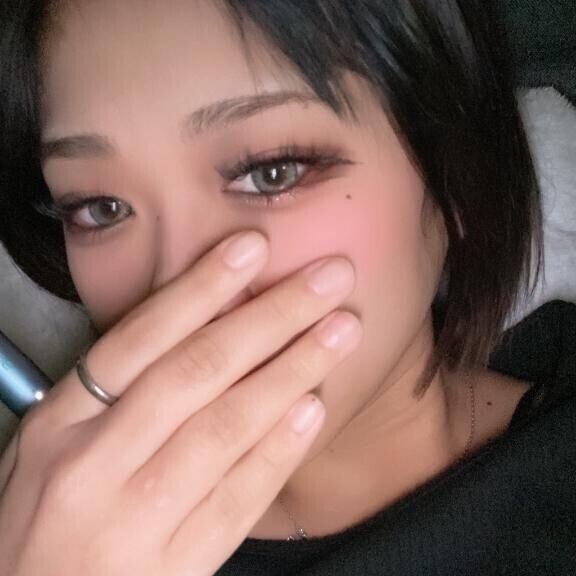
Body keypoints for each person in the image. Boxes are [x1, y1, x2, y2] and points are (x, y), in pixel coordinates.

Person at [0, 0, 574, 574]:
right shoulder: (41, 537)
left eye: (272, 172)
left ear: (455, 177)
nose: (177, 291)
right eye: (101, 208)